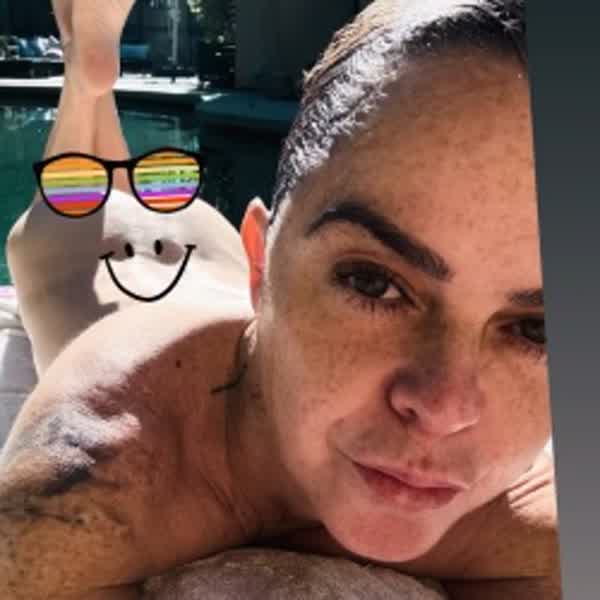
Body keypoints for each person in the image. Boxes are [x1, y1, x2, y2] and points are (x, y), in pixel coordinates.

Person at [1, 0, 560, 599]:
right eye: (372, 283)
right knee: (75, 191)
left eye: (537, 329)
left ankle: (89, 71)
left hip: (205, 245)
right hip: (86, 257)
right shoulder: (88, 487)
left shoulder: (537, 520)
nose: (443, 408)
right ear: (262, 262)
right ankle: (86, 78)